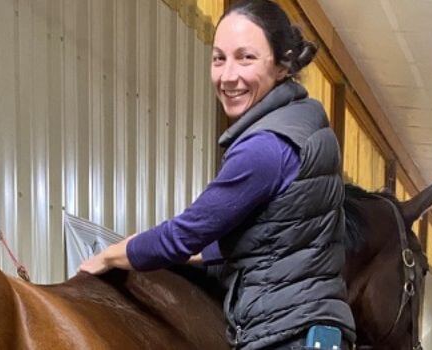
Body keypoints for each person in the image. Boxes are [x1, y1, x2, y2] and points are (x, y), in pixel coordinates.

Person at [78, 1, 354, 348]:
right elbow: (268, 237)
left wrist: (109, 254)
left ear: (283, 65)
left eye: (246, 58)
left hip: (284, 335)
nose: (228, 75)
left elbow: (184, 235)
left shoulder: (266, 147)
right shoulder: (306, 123)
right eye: (219, 58)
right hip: (315, 330)